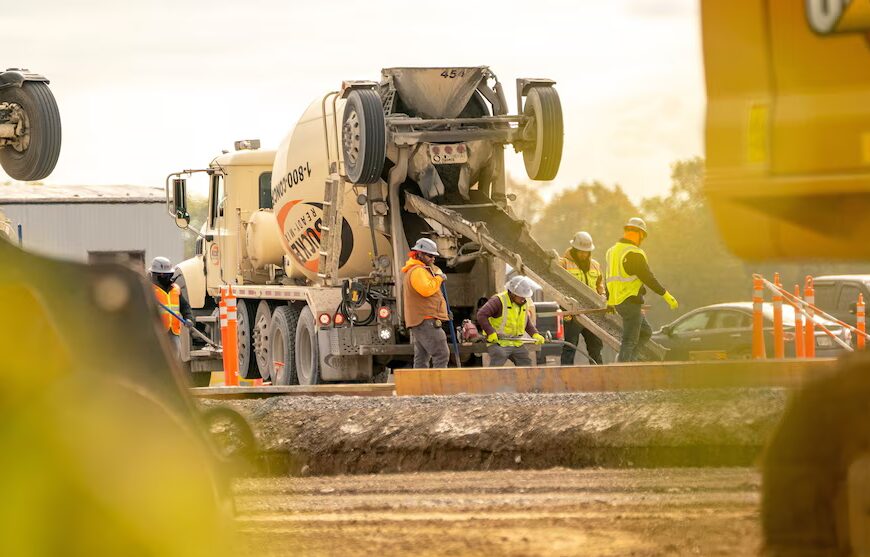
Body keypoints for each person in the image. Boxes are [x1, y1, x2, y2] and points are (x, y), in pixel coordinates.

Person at [605, 217, 678, 362]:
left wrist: (609, 300)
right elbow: (648, 278)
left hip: (619, 302)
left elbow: (609, 277)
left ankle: (630, 359)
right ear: (640, 234)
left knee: (645, 332)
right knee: (629, 340)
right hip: (630, 301)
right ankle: (624, 369)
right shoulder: (634, 253)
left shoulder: (612, 251)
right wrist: (665, 294)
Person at [401, 238, 450, 368]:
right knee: (441, 354)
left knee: (422, 357)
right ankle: (438, 387)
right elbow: (426, 290)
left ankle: (421, 388)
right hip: (426, 320)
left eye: (434, 256)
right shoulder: (418, 271)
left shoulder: (419, 269)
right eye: (430, 255)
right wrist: (439, 278)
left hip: (421, 321)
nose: (433, 258)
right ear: (420, 254)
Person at [477, 275, 546, 367]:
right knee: (499, 355)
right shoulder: (498, 301)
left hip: (516, 342)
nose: (523, 299)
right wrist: (490, 332)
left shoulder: (523, 303)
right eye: (521, 296)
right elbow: (481, 315)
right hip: (498, 342)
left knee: (525, 362)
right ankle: (493, 380)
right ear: (512, 294)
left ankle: (525, 381)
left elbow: (526, 322)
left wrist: (535, 334)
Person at [559, 231, 605, 365]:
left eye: (586, 252)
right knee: (570, 347)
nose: (583, 254)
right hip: (572, 313)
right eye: (580, 251)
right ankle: (566, 380)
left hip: (592, 313)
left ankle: (599, 377)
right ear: (574, 249)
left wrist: (602, 299)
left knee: (596, 347)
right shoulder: (563, 263)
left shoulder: (595, 265)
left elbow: (600, 286)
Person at [149, 256, 193, 356]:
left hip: (173, 332)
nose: (168, 277)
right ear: (156, 275)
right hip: (156, 334)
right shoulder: (148, 290)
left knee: (174, 361)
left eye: (169, 274)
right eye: (164, 275)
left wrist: (189, 319)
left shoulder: (176, 289)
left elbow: (185, 307)